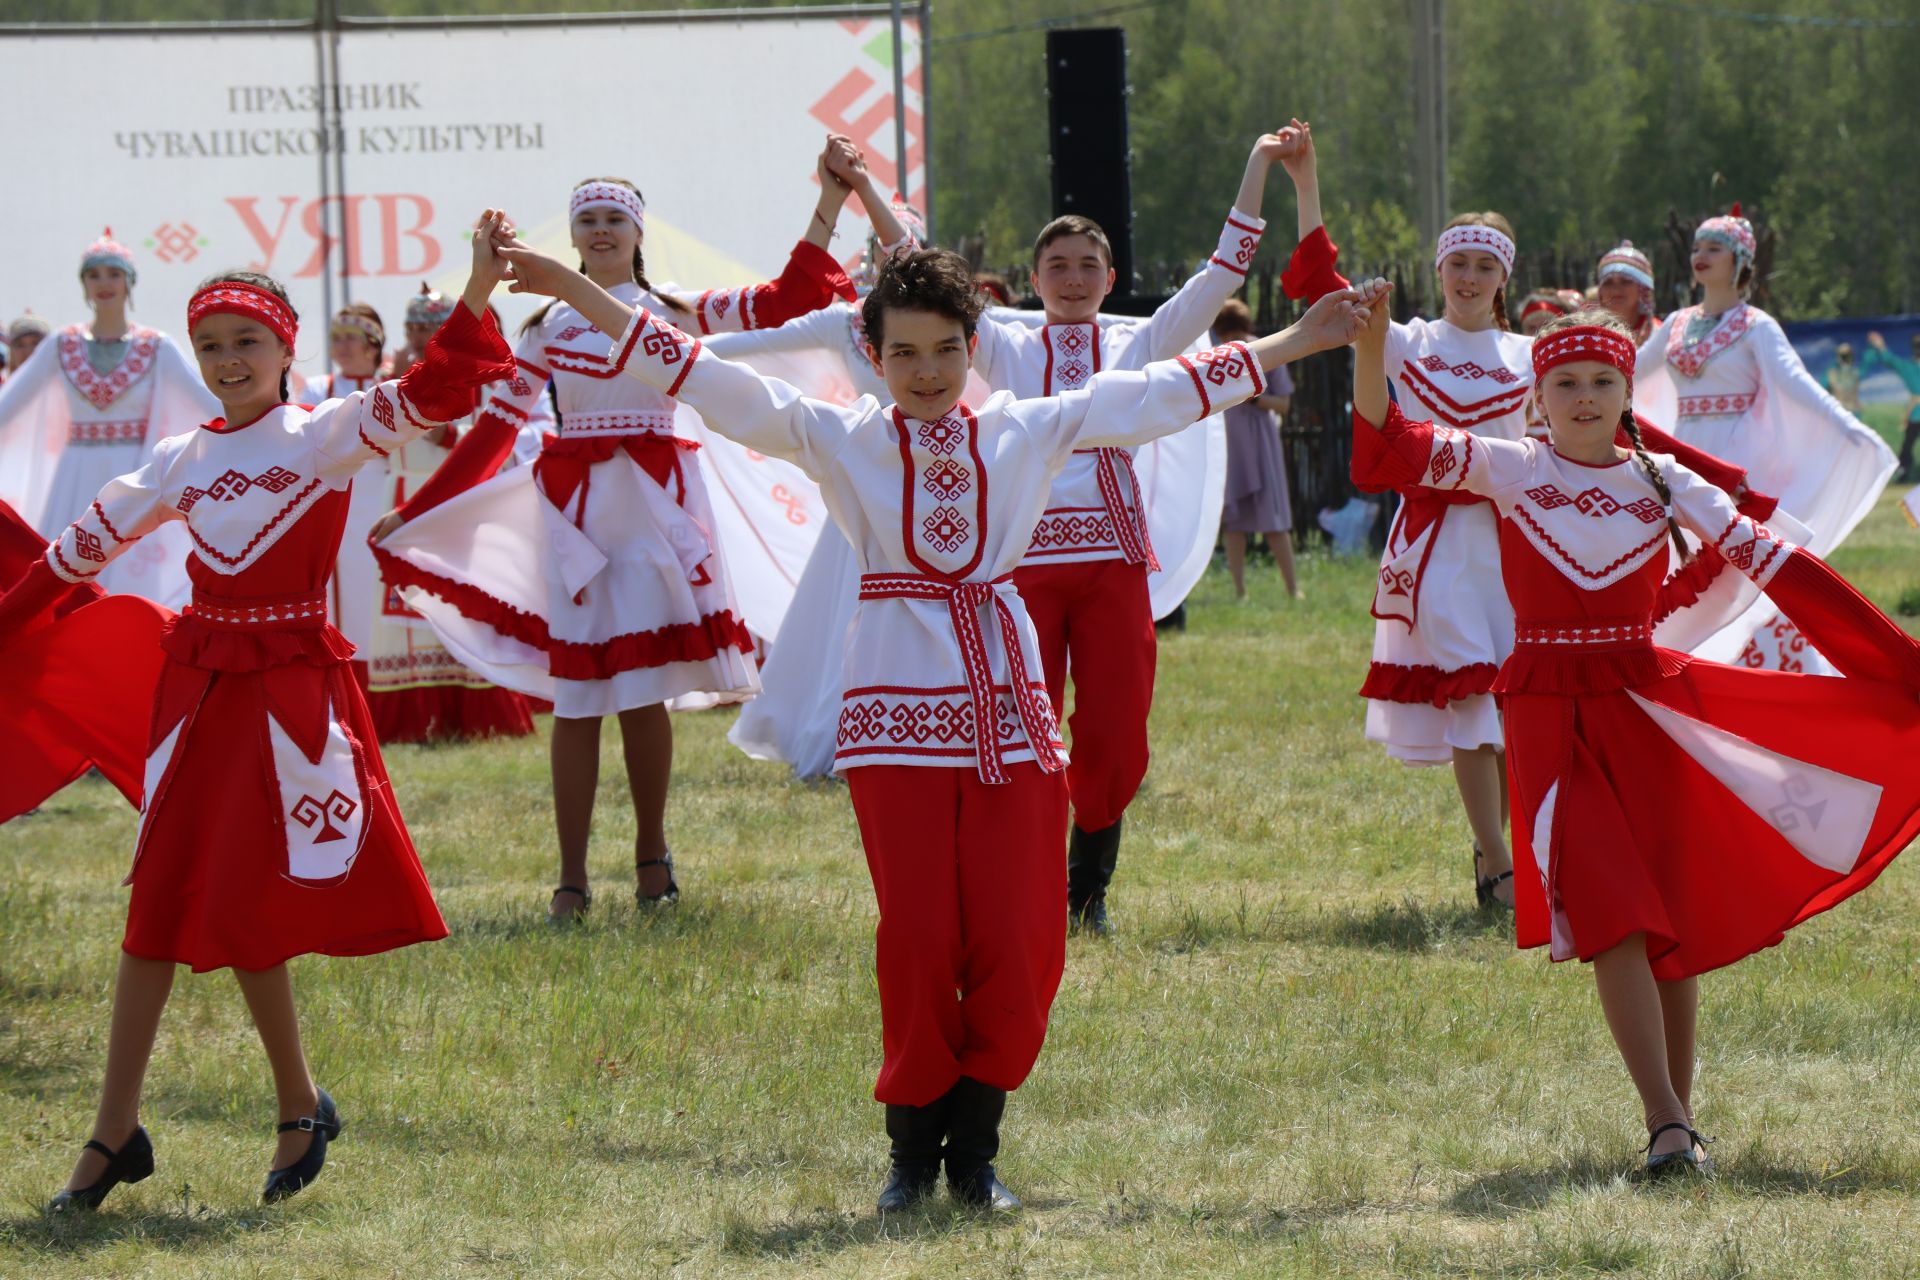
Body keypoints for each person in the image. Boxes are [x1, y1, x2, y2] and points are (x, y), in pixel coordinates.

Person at [494, 225, 1371, 1212]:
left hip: (1008, 714)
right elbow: (691, 369)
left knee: (1021, 932)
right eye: (902, 351)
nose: (924, 370)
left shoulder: (1022, 429)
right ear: (870, 356)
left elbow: (1157, 391)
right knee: (918, 932)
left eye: (945, 348)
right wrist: (572, 281)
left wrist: (1295, 341)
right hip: (893, 717)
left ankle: (977, 1150)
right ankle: (912, 1152)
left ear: (973, 347)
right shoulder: (841, 437)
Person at [0, 212, 517, 1211]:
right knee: (160, 901)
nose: (229, 360)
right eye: (211, 346)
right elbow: (70, 559)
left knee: (243, 903)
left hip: (287, 697)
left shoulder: (325, 431)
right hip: (196, 696)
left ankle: (278, 1104)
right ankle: (128, 1124)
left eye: (247, 342)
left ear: (286, 347)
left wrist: (479, 290)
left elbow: (439, 390)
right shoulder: (180, 457)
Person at [1350, 290, 1920, 1175]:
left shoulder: (1665, 480)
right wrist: (1368, 347)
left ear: (1628, 394)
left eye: (1604, 381)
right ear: (1536, 398)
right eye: (1567, 382)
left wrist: (1895, 664)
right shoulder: (1508, 467)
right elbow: (1388, 451)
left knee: (1667, 919)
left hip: (1648, 709)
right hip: (1547, 713)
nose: (1585, 397)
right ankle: (1665, 1123)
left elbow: (1788, 573)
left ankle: (1675, 1121)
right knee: (1612, 912)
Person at [371, 138, 866, 920]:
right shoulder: (542, 328)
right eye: (588, 220)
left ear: (638, 232)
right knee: (577, 698)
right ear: (571, 238)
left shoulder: (675, 309)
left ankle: (651, 861)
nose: (601, 230)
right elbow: (497, 428)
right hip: (579, 519)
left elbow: (784, 300)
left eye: (614, 218)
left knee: (642, 694)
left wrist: (830, 201)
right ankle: (570, 878)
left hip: (659, 518)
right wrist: (423, 507)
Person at [1280, 128, 1771, 910]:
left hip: (1527, 540)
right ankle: (1498, 862)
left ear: (1502, 277)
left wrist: (1707, 483)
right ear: (1438, 271)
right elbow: (1320, 285)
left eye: (1484, 264)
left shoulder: (1525, 357)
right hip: (1437, 541)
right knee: (1474, 697)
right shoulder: (1404, 341)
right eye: (1457, 263)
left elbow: (1597, 427)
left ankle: (1524, 850)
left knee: (1519, 697)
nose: (1469, 277)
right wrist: (1307, 182)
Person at [957, 127, 1298, 934]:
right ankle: (1027, 882)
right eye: (1057, 266)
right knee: (1021, 722)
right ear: (1032, 278)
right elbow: (924, 270)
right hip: (1025, 565)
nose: (1072, 280)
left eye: (1087, 267)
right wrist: (864, 193)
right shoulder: (1003, 345)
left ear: (1112, 279)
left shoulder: (1138, 342)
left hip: (1112, 564)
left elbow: (1221, 278)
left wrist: (1255, 164)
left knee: (1114, 731)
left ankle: (1088, 889)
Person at [1632, 207, 1896, 673]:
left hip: (1731, 467)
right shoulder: (1675, 324)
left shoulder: (1755, 325)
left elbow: (1796, 385)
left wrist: (1852, 429)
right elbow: (1625, 371)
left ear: (1740, 262)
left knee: (1739, 569)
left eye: (1714, 248)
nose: (1701, 255)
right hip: (1679, 459)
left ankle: (1759, 673)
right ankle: (1680, 667)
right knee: (1681, 564)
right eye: (1697, 247)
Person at [0, 231, 219, 605]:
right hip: (75, 476)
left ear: (129, 281)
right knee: (67, 581)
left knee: (132, 586)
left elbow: (209, 402)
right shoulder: (60, 344)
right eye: (94, 274)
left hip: (136, 474)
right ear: (83, 283)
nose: (104, 283)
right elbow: (9, 407)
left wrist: (271, 420)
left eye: (113, 273)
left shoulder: (156, 345)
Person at [1211, 298, 1298, 598]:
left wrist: (1254, 399)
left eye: (1233, 334)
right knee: (1234, 519)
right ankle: (1239, 591)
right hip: (1232, 442)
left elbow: (1284, 404)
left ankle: (1293, 589)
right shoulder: (1214, 357)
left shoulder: (1268, 351)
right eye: (1223, 336)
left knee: (1273, 519)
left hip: (1261, 442)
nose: (1229, 341)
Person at [1862, 330, 1920, 481]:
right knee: (1907, 447)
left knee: (1907, 446)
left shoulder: (1908, 367)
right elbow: (1890, 359)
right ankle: (1904, 472)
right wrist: (1880, 346)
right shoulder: (1908, 367)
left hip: (1914, 413)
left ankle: (1904, 471)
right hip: (1915, 414)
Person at [1596, 240, 1659, 344]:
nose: (1616, 290)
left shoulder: (1661, 336)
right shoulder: (1590, 338)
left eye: (1625, 281)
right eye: (1608, 282)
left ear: (1643, 289)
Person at [1822, 342, 1861, 412]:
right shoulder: (1831, 374)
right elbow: (1822, 390)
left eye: (1847, 357)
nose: (1845, 360)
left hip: (1853, 411)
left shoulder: (1855, 373)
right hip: (1838, 412)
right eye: (1843, 357)